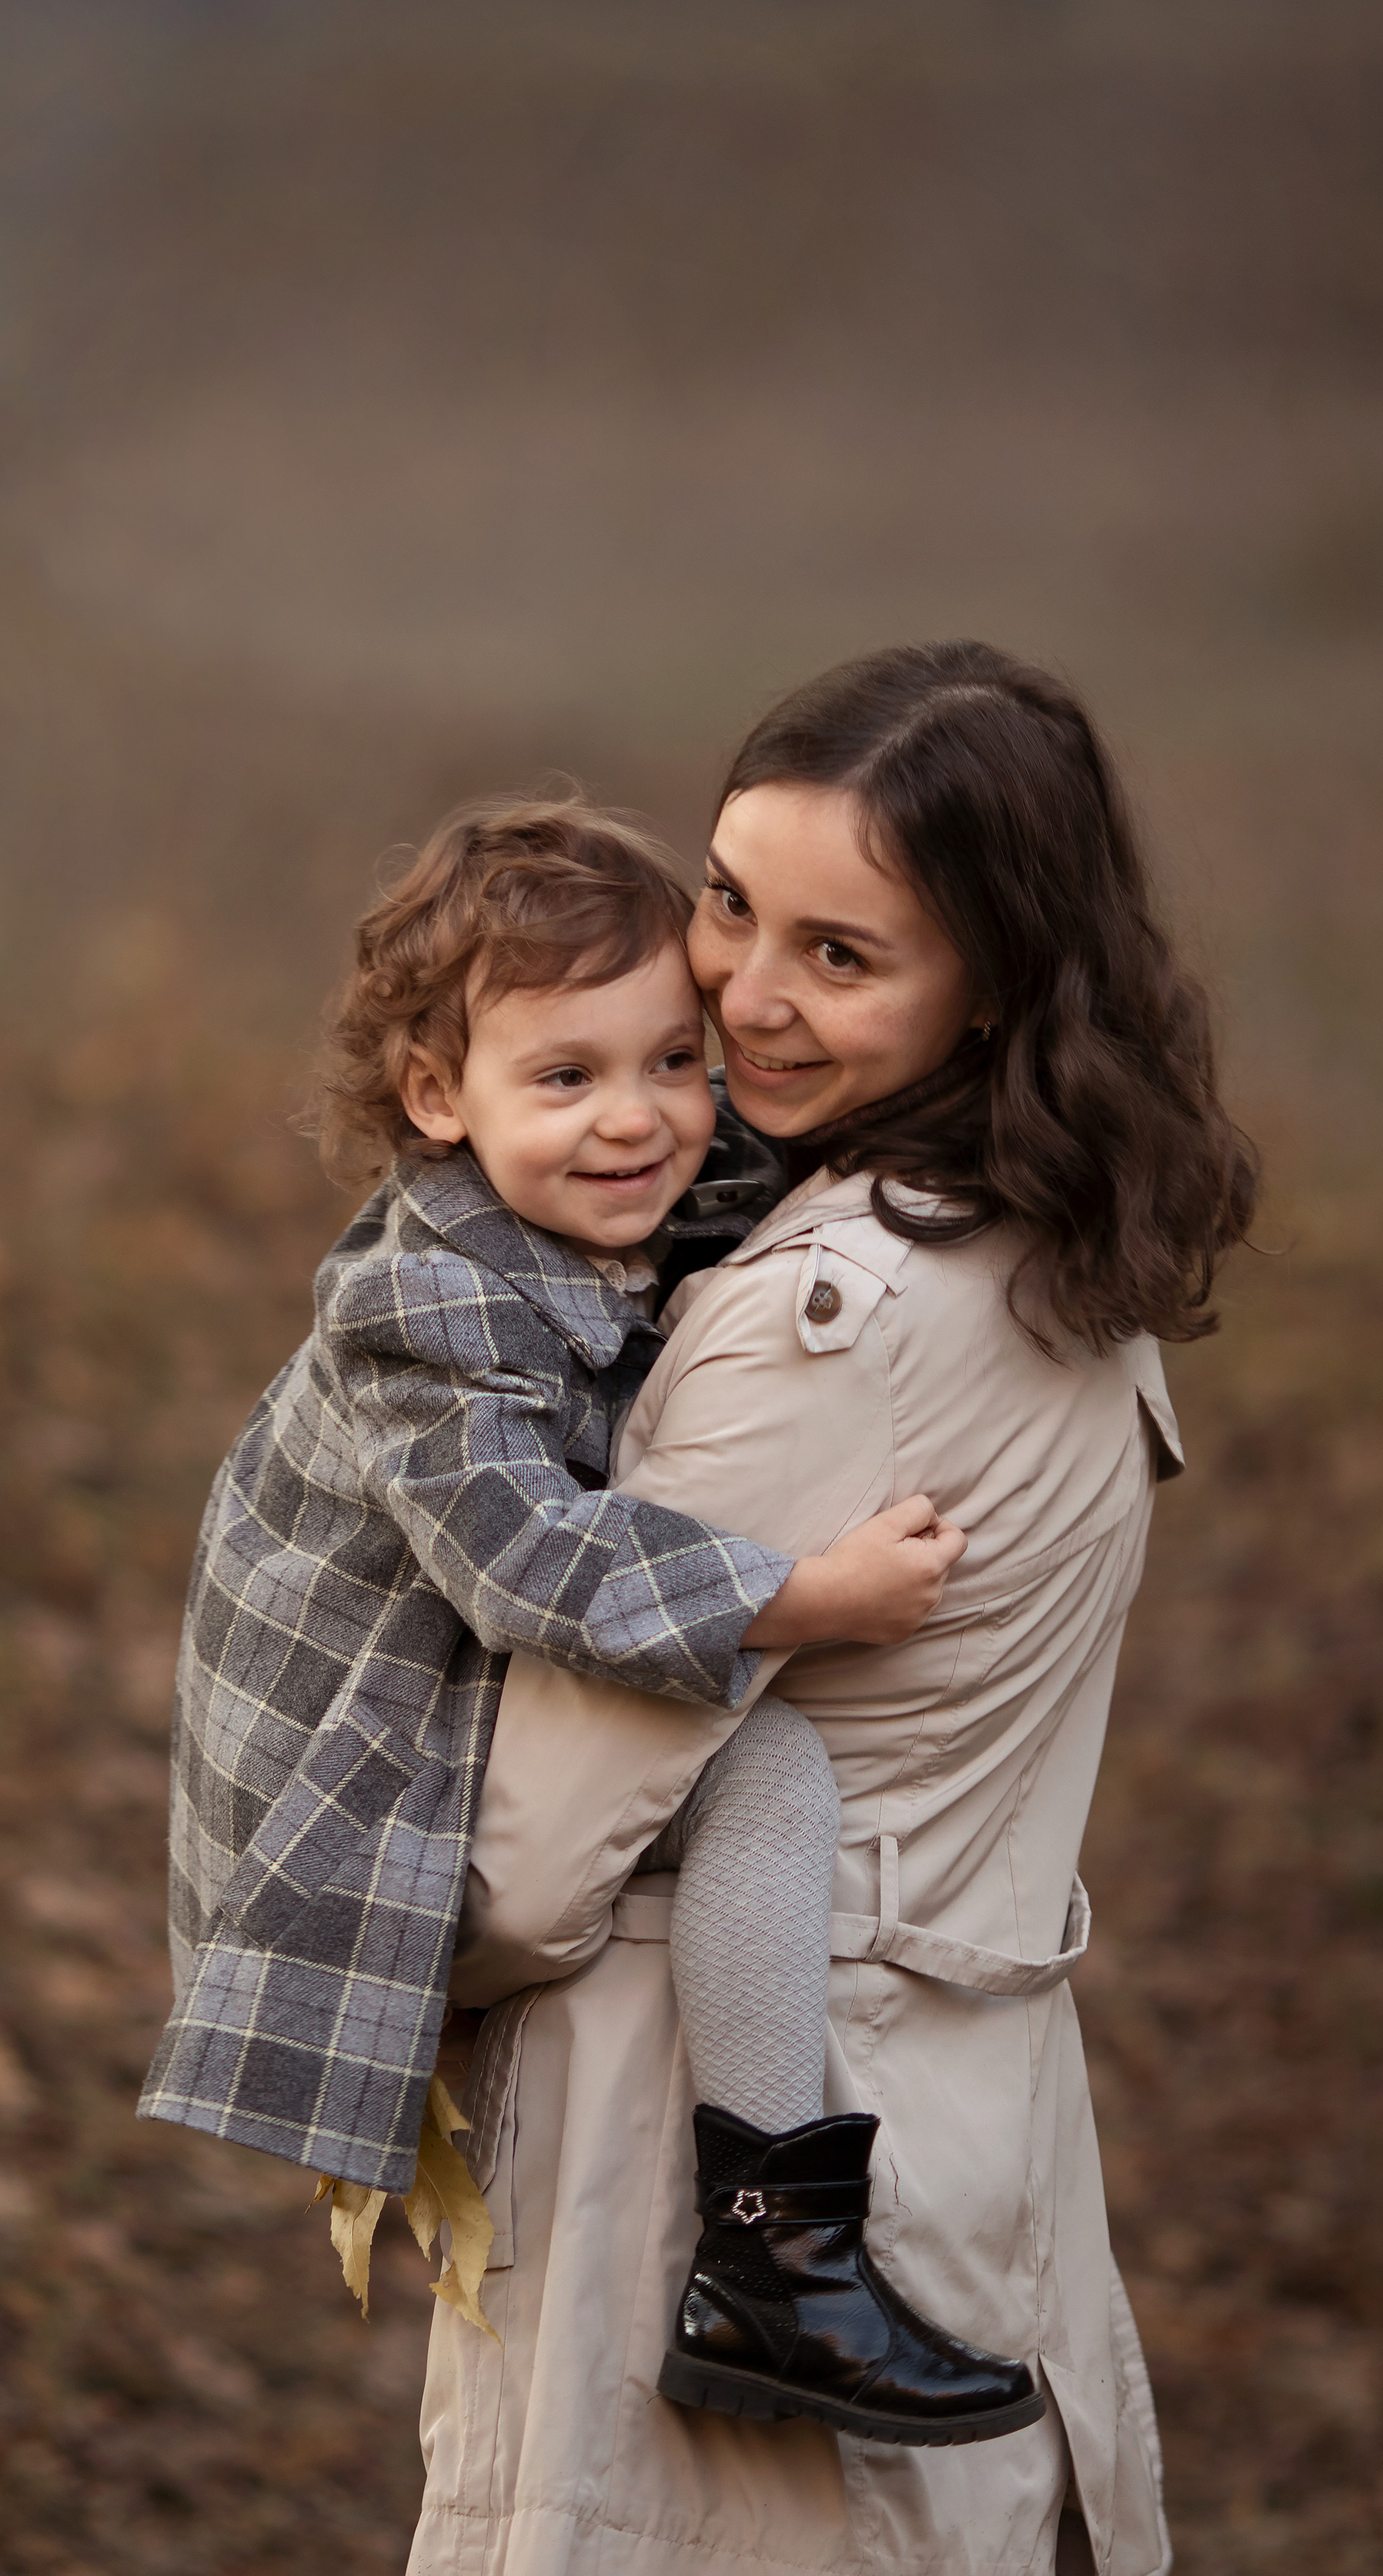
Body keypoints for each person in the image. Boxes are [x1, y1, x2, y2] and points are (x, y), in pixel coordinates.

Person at [419, 642, 1258, 2576]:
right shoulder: (1054, 1237)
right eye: (730, 902)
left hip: (740, 2164)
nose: (741, 991)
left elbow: (536, 1855)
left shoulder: (830, 1312)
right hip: (958, 2118)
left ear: (995, 983)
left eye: (841, 954)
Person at [139, 796, 1024, 2434]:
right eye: (564, 1079)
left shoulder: (606, 1195)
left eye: (670, 1062)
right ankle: (768, 2258)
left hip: (440, 1705)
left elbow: (776, 1168)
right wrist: (791, 1595)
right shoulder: (423, 1304)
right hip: (356, 1790)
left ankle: (771, 2243)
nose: (637, 1123)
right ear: (434, 1099)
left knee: (755, 1785)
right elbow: (524, 1557)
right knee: (768, 1780)